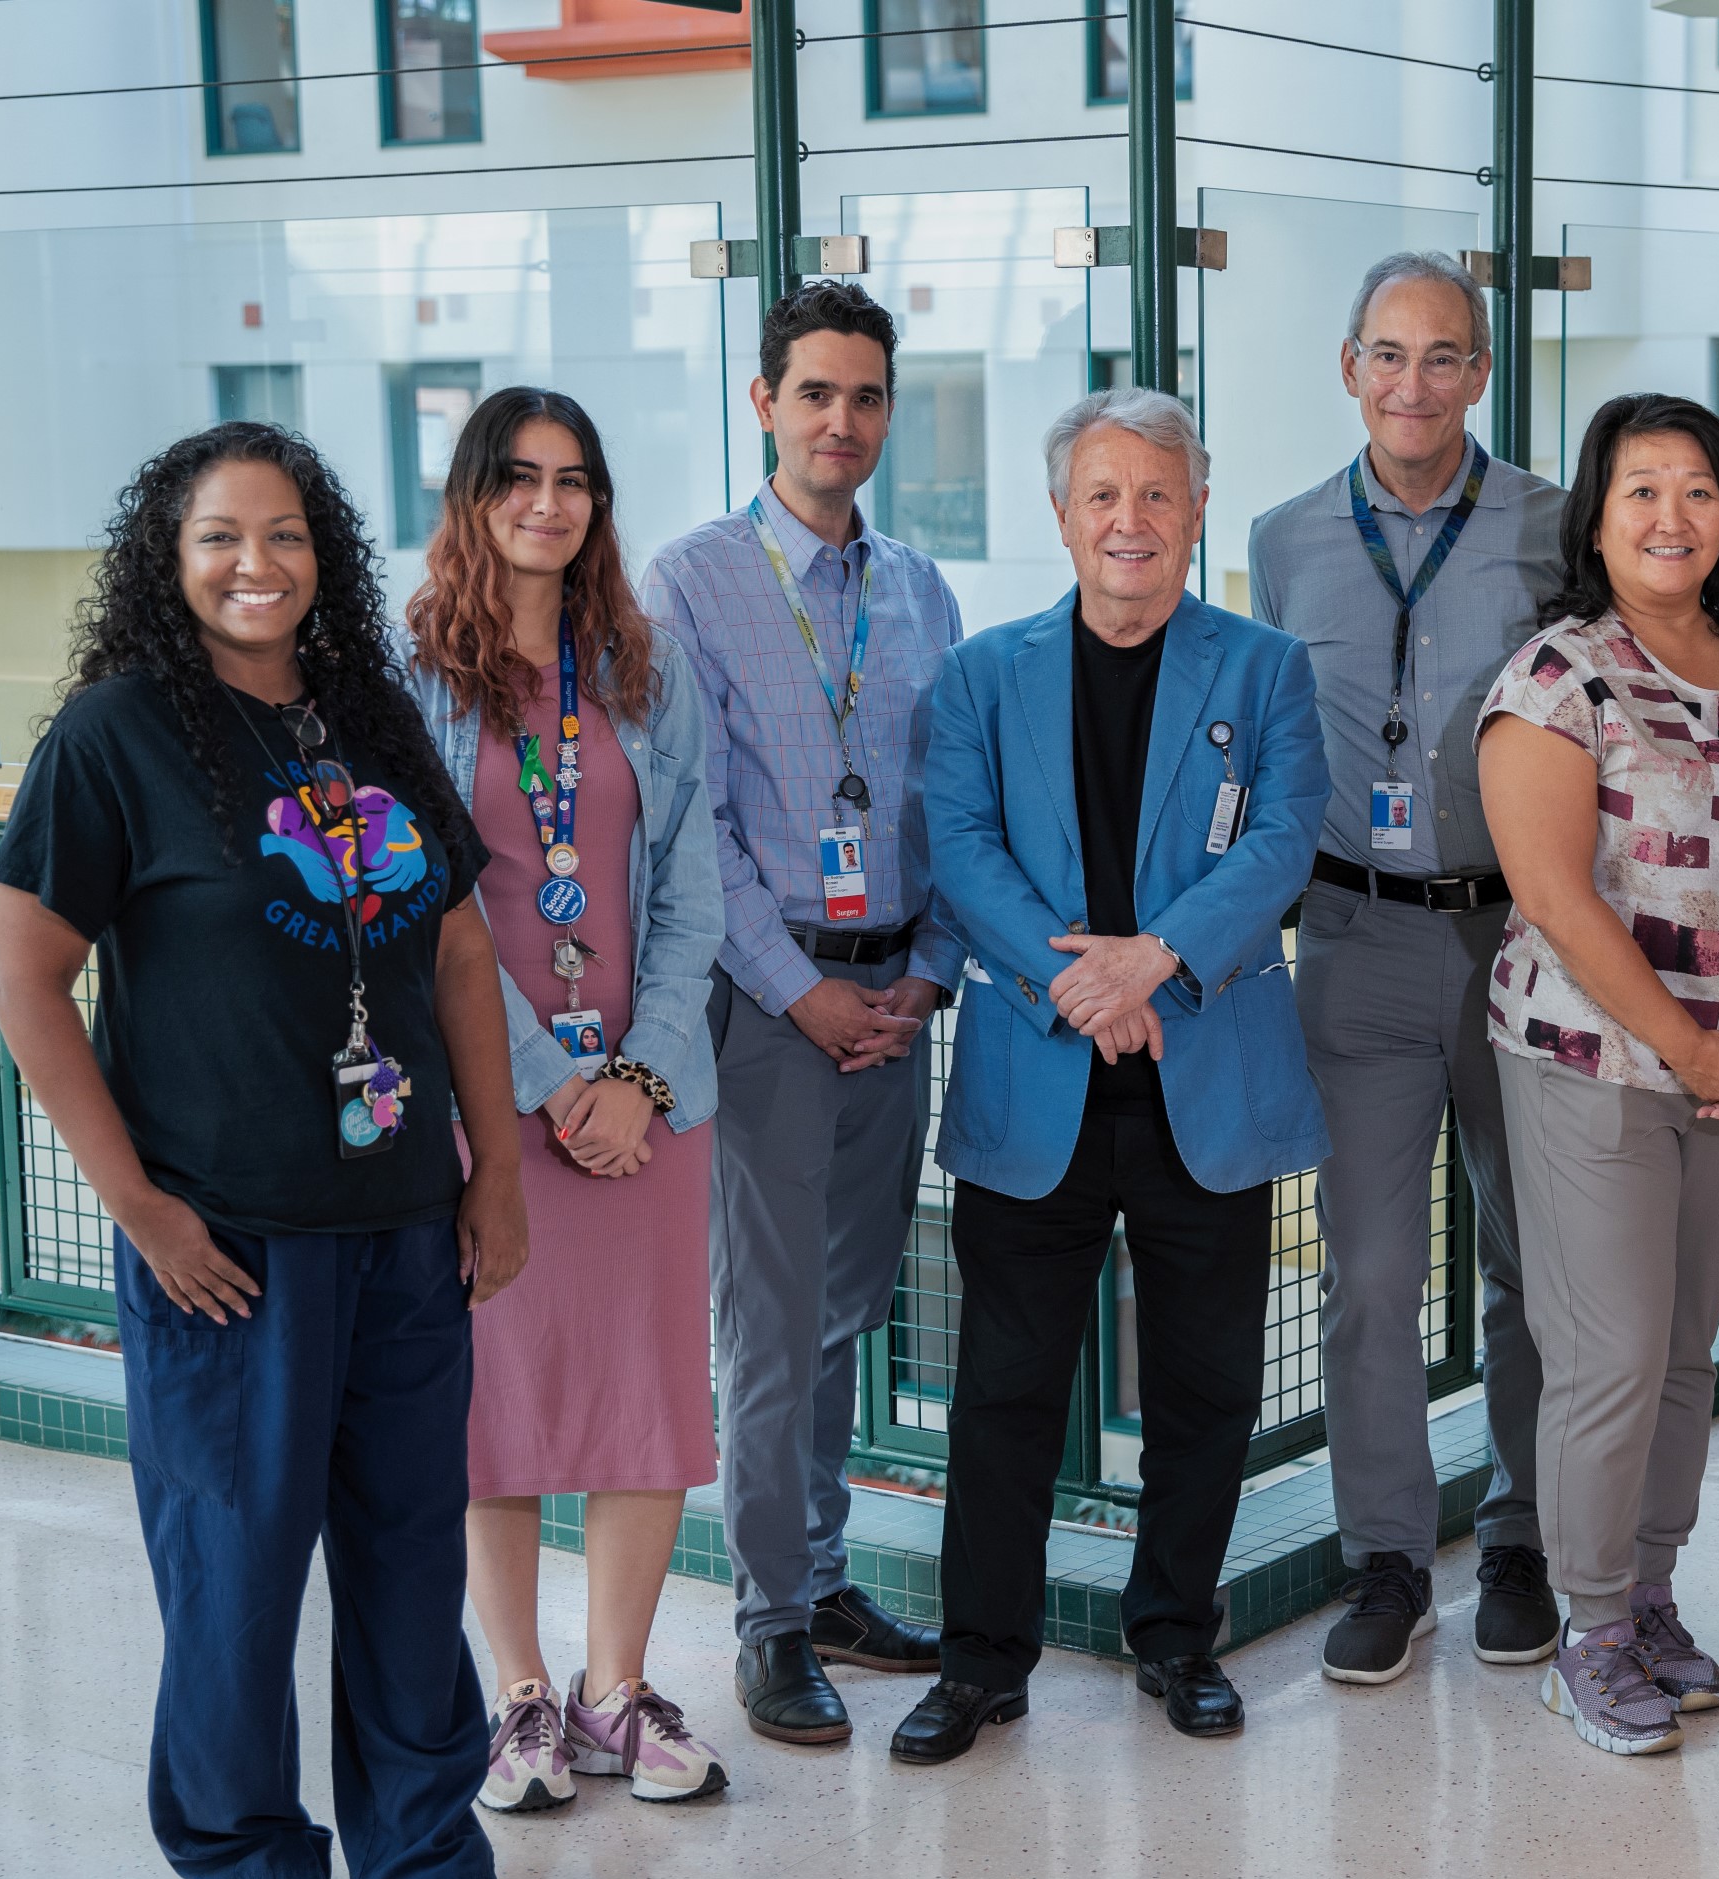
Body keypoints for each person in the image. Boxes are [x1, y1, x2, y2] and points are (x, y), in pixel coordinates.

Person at [0, 423, 545, 1879]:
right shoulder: (114, 735)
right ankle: (244, 1848)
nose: (256, 563)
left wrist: (494, 1170)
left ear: (324, 555)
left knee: (411, 1554)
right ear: (167, 559)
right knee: (233, 1562)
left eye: (286, 533)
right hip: (226, 1239)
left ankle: (423, 1857)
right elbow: (24, 974)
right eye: (220, 536)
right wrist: (142, 1209)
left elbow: (459, 949)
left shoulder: (369, 715)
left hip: (403, 1227)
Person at [889, 389, 1330, 1764]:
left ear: (1196, 511)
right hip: (1039, 1082)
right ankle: (981, 1662)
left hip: (1208, 1081)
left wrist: (1156, 962)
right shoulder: (982, 674)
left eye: (1156, 494)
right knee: (1004, 1391)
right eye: (1102, 495)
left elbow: (1286, 840)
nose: (1129, 520)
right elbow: (960, 847)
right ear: (1062, 514)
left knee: (1207, 1388)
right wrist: (1084, 987)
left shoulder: (1265, 669)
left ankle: (1178, 1639)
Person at [1478, 393, 1719, 1757]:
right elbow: (1555, 899)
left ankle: (1648, 1596)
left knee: (1687, 1347)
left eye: (1697, 488)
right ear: (1597, 516)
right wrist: (1692, 1049)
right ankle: (1584, 1632)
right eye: (1641, 488)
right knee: (1613, 1355)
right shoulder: (1554, 679)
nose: (1670, 515)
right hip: (1593, 1064)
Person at [398, 389, 729, 1812]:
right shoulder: (411, 674)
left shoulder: (648, 669)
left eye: (575, 478)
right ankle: (521, 1697)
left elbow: (696, 889)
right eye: (520, 477)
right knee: (500, 1400)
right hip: (491, 1106)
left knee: (645, 1389)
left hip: (649, 1110)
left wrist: (638, 1076)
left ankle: (618, 1691)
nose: (550, 502)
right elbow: (429, 900)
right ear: (474, 496)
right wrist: (547, 1082)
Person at [642, 281, 957, 1746]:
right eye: (816, 392)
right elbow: (690, 823)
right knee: (767, 1328)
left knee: (843, 1313)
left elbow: (954, 803)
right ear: (764, 402)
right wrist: (803, 991)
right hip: (768, 1007)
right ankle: (769, 1622)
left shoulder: (921, 592)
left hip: (895, 1000)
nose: (843, 420)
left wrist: (926, 973)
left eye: (867, 396)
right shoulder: (690, 584)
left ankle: (823, 1583)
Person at [1246, 251, 1564, 1686]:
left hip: (1524, 939)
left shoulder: (1554, 527)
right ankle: (1385, 1556)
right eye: (1389, 354)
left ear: (1480, 372)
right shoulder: (1283, 539)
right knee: (1370, 1275)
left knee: (1532, 1263)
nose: (1413, 383)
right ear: (1348, 368)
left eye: (1443, 356)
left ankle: (1521, 1538)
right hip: (1355, 936)